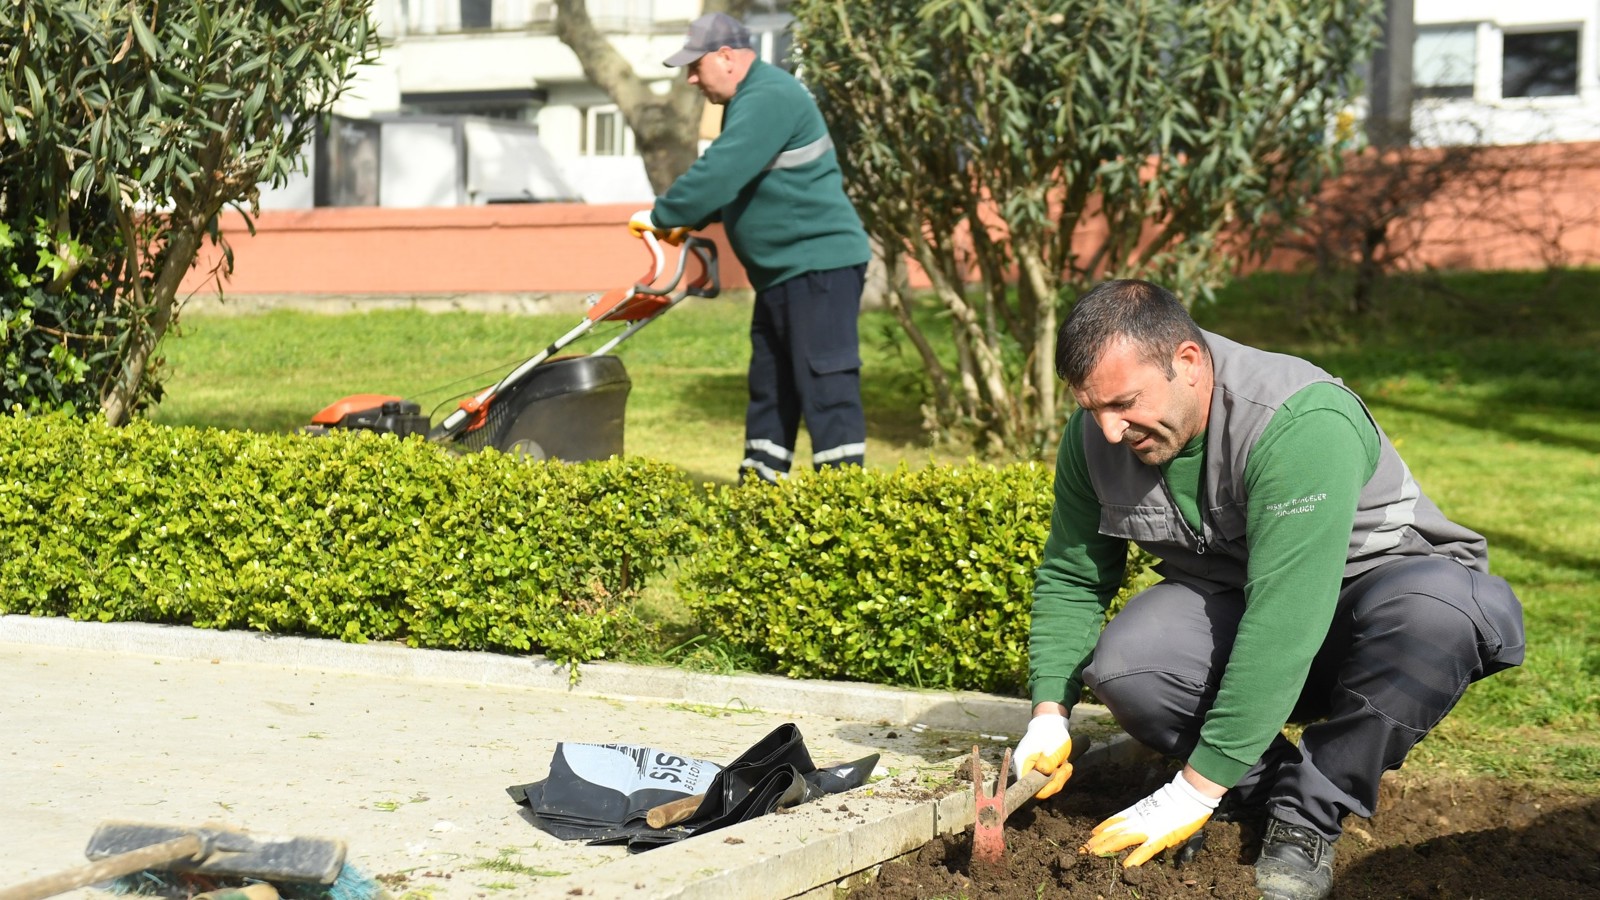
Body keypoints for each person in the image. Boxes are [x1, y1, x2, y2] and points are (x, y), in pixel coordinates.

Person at [1011, 280, 1524, 900]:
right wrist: (1047, 714)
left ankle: (1308, 813)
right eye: (1093, 408)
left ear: (1188, 363)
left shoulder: (1298, 420)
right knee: (1127, 666)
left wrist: (1191, 789)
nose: (1110, 431)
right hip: (1249, 605)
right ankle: (1264, 785)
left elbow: (1287, 616)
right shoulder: (1096, 439)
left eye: (1123, 403)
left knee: (1440, 617)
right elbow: (1074, 574)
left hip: (1375, 603)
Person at [629, 12, 871, 484]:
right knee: (772, 383)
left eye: (695, 66)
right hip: (785, 271)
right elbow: (743, 183)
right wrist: (692, 220)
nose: (691, 78)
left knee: (826, 382)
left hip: (817, 265)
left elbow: (722, 169)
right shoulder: (752, 100)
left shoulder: (768, 95)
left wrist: (663, 215)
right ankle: (760, 488)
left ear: (726, 57)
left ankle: (846, 500)